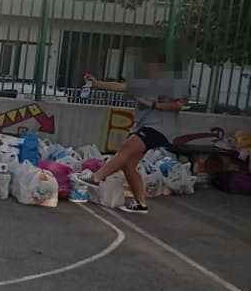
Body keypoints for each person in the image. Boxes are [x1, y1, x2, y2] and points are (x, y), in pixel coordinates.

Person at [80, 47, 190, 213]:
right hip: (143, 125)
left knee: (127, 147)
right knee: (129, 165)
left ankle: (96, 177)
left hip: (160, 127)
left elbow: (179, 105)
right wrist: (96, 83)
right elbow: (119, 86)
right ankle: (141, 204)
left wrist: (155, 105)